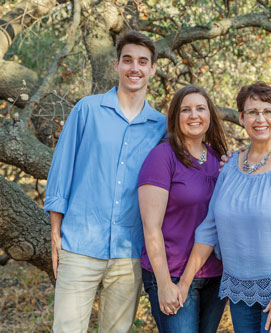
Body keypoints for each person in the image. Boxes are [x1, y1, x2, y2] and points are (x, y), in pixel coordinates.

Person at [179, 82, 271, 333]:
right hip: (241, 290)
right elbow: (209, 229)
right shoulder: (228, 168)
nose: (260, 119)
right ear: (241, 117)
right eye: (252, 112)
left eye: (268, 111)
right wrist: (184, 282)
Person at [45, 31, 166, 332]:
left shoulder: (161, 127)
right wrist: (55, 233)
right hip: (80, 244)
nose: (134, 68)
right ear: (116, 65)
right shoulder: (87, 109)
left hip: (129, 251)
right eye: (128, 60)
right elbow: (61, 172)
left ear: (152, 69)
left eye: (142, 62)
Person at [137, 85, 228, 332]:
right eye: (186, 110)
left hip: (214, 275)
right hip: (173, 273)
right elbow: (151, 226)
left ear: (210, 115)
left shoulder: (219, 159)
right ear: (176, 117)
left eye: (200, 108)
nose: (194, 115)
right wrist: (164, 283)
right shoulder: (162, 157)